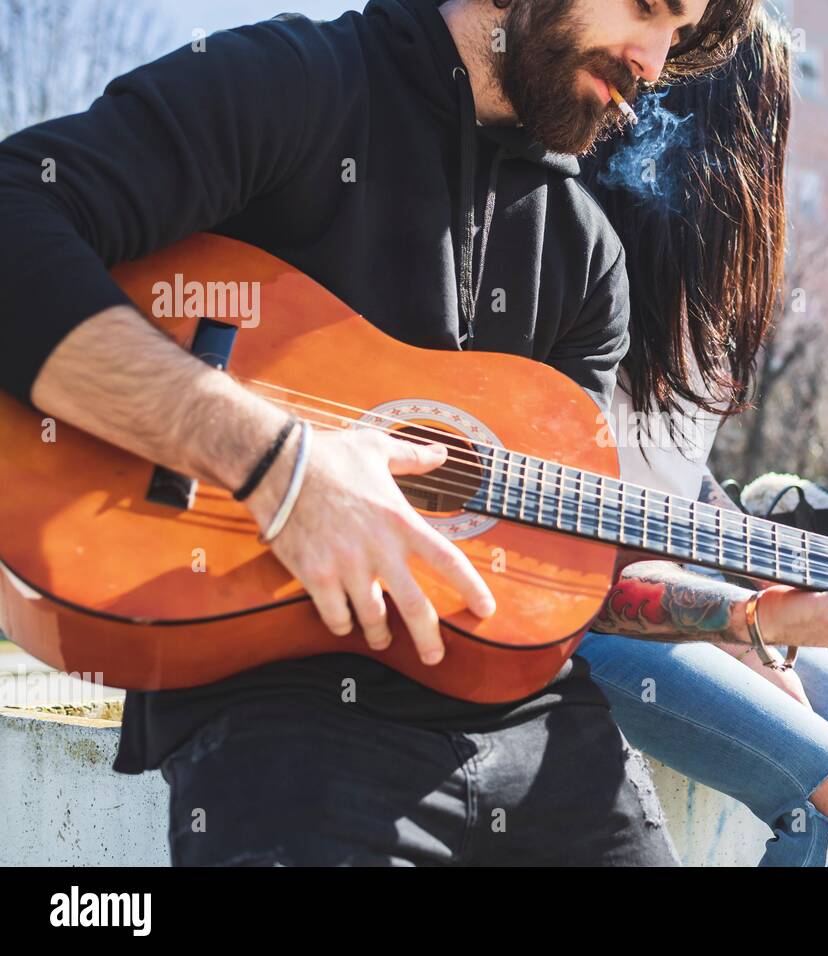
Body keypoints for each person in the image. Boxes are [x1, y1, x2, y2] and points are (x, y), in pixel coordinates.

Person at [0, 0, 773, 866]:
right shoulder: (297, 82)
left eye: (679, 35)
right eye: (649, 8)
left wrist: (753, 613)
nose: (656, 59)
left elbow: (564, 560)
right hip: (282, 712)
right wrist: (274, 463)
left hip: (536, 725)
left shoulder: (588, 256)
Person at [576, 9, 828, 867]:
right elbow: (577, 517)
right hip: (575, 607)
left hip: (680, 589)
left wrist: (779, 577)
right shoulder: (568, 243)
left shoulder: (700, 297)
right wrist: (748, 624)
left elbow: (673, 481)